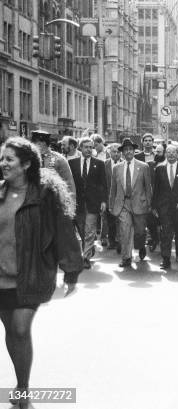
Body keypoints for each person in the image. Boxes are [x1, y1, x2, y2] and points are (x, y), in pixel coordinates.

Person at [0, 137, 82, 409]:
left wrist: (71, 270)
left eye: (9, 159)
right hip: (1, 277)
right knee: (11, 331)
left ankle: (23, 390)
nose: (3, 164)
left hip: (32, 274)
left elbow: (63, 231)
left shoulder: (45, 194)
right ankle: (20, 384)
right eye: (1, 158)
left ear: (25, 164)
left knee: (20, 328)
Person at [109, 138, 153, 268]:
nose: (128, 152)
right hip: (123, 204)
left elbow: (148, 187)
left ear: (134, 151)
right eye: (126, 150)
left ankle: (141, 246)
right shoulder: (117, 168)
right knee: (125, 231)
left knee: (140, 231)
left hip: (140, 203)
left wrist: (149, 204)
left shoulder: (143, 167)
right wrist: (111, 205)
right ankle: (126, 258)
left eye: (130, 150)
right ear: (122, 153)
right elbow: (113, 188)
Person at [68, 137, 107, 270]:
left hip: (93, 202)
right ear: (80, 148)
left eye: (91, 147)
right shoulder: (72, 163)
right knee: (81, 228)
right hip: (77, 203)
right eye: (86, 147)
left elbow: (103, 184)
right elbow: (69, 183)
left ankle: (85, 257)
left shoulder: (99, 164)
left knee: (90, 230)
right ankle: (89, 249)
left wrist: (103, 201)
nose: (89, 149)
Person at [152, 145, 178, 269]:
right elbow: (156, 189)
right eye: (168, 152)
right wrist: (154, 206)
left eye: (173, 152)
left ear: (177, 154)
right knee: (166, 233)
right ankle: (166, 259)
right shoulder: (159, 169)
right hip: (164, 207)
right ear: (165, 154)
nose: (170, 155)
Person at [31, 130, 76, 197]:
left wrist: (71, 205)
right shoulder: (30, 159)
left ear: (45, 143)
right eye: (35, 142)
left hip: (53, 198)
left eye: (40, 142)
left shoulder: (59, 159)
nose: (37, 144)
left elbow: (69, 184)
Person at [103, 143, 122, 251]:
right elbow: (102, 183)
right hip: (108, 198)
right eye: (114, 151)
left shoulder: (125, 164)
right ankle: (112, 241)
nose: (116, 154)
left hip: (121, 198)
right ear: (109, 152)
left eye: (118, 152)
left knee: (121, 221)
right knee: (110, 222)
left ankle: (120, 241)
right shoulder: (104, 164)